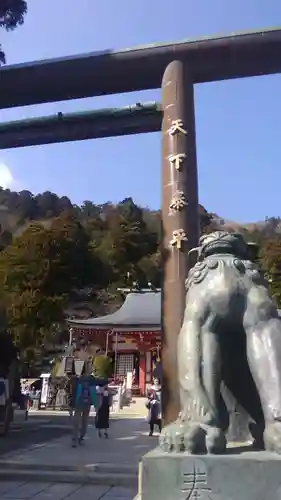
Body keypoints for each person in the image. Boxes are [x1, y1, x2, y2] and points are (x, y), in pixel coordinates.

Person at [71, 375, 97, 448]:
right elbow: (74, 395)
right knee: (78, 422)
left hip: (85, 405)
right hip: (80, 405)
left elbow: (94, 396)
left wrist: (95, 405)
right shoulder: (80, 386)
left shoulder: (89, 387)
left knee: (83, 422)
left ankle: (79, 437)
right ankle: (76, 438)